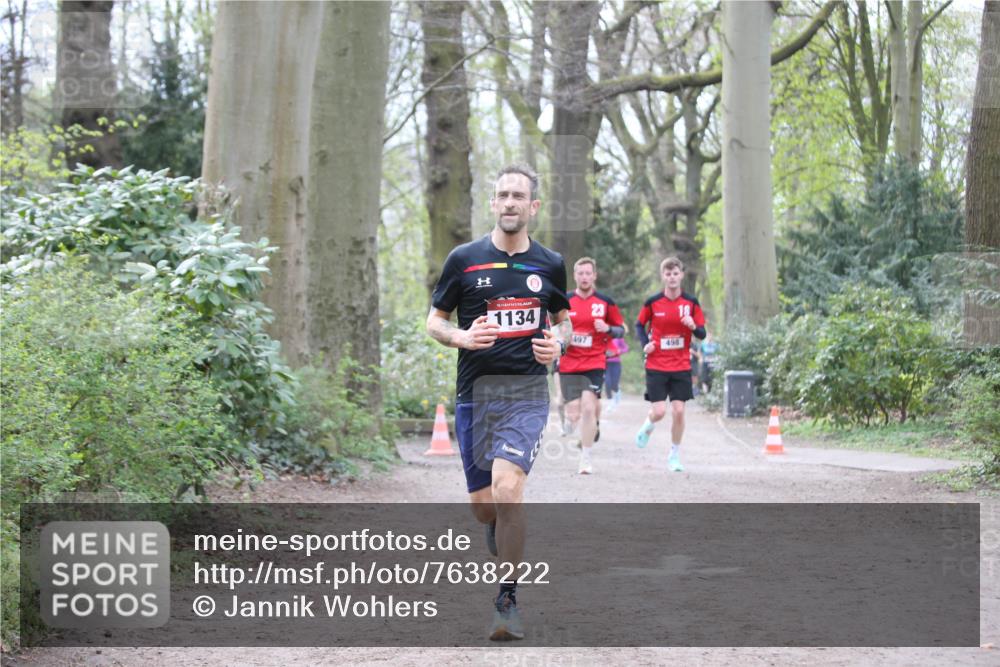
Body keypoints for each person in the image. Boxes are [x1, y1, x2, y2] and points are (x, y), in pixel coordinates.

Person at [426, 164, 570, 641]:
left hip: (526, 394)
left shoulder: (549, 263)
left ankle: (506, 601)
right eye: (502, 195)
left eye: (519, 196)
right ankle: (497, 528)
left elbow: (563, 321)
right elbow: (434, 322)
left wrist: (560, 345)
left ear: (533, 207)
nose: (510, 202)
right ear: (493, 203)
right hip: (475, 396)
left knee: (509, 491)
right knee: (485, 508)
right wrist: (462, 336)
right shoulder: (464, 259)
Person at [634, 257, 706, 472]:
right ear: (663, 276)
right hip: (656, 364)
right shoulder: (653, 302)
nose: (672, 277)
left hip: (681, 364)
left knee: (679, 411)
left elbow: (702, 333)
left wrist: (693, 326)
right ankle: (648, 425)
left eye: (675, 273)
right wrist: (646, 343)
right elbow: (639, 324)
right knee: (659, 412)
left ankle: (674, 454)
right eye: (668, 274)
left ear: (681, 275)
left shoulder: (691, 303)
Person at [558, 258, 625, 474]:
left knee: (588, 408)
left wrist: (607, 328)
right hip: (569, 363)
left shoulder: (605, 302)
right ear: (575, 276)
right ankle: (570, 421)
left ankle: (585, 458)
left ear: (594, 276)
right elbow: (552, 325)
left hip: (595, 361)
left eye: (588, 273)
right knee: (573, 413)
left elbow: (621, 330)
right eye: (581, 273)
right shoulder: (564, 300)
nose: (585, 277)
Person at [604, 335, 629, 410]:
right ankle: (610, 401)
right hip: (605, 363)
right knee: (607, 382)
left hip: (616, 363)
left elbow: (626, 348)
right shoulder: (603, 336)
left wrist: (619, 351)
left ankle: (617, 392)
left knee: (614, 383)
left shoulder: (619, 338)